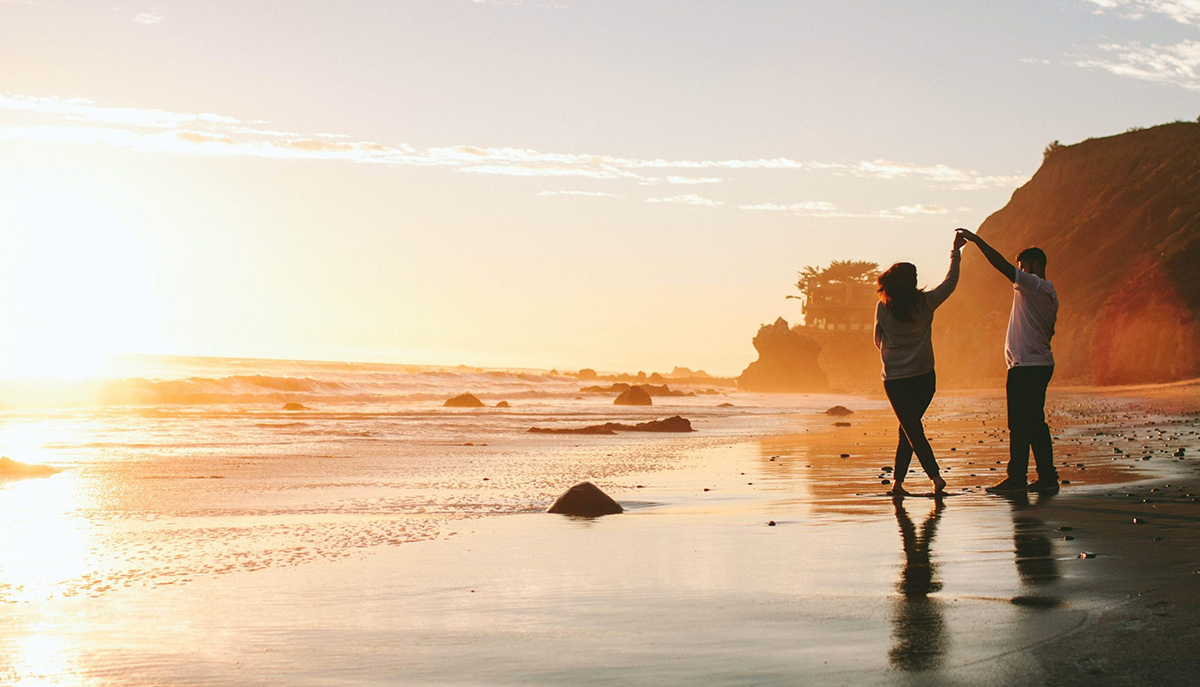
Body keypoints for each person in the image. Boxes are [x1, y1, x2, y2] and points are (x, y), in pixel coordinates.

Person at [955, 229, 1060, 493]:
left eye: (1023, 267)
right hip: (1035, 363)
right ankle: (1045, 477)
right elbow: (1050, 330)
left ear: (1034, 266)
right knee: (1034, 423)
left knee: (1021, 424)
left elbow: (1001, 266)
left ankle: (1019, 478)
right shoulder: (1049, 293)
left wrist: (977, 241)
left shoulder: (1034, 285)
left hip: (1027, 366)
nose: (1020, 272)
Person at [873, 231, 966, 496]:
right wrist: (955, 253)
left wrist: (894, 354)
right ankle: (898, 483)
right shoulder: (926, 302)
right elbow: (950, 283)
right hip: (925, 378)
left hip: (895, 380)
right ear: (911, 282)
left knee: (911, 429)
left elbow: (877, 340)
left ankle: (935, 477)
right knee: (910, 429)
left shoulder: (883, 307)